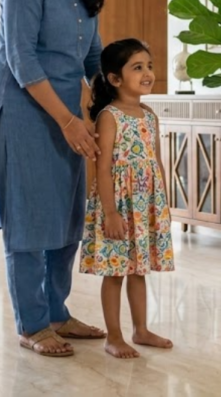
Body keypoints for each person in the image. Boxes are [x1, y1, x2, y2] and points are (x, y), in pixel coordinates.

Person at [0, 0, 119, 357]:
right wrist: (66, 121)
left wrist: (110, 105)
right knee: (31, 218)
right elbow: (20, 57)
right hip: (23, 111)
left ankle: (58, 311)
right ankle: (32, 323)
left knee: (68, 214)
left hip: (68, 114)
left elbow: (92, 56)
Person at [80, 38, 175, 359]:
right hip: (118, 207)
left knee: (139, 270)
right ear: (115, 78)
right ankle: (115, 336)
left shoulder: (149, 115)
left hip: (145, 205)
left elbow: (156, 161)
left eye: (149, 65)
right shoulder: (110, 117)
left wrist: (162, 205)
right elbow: (103, 169)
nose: (148, 72)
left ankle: (141, 329)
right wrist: (110, 213)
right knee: (116, 271)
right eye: (138, 67)